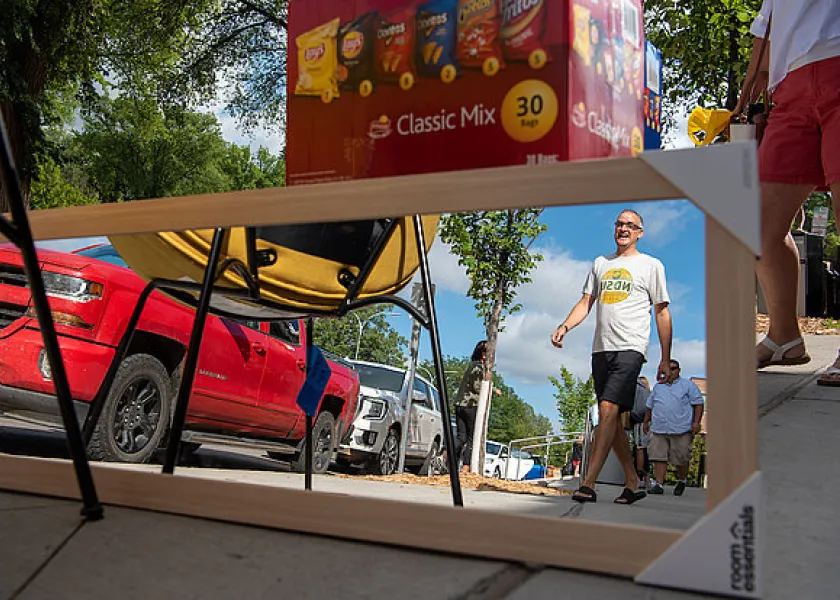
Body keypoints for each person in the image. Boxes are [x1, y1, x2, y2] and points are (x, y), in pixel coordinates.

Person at [736, 2, 840, 384]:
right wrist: (749, 91)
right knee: (757, 221)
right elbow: (767, 25)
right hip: (790, 87)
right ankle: (784, 337)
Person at [551, 209, 672, 505]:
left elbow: (662, 311)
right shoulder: (600, 264)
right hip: (601, 348)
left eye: (630, 225)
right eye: (619, 224)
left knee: (606, 408)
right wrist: (565, 325)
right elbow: (586, 302)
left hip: (631, 347)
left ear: (640, 233)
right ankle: (632, 480)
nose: (623, 229)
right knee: (613, 420)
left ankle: (589, 482)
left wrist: (665, 358)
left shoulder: (651, 265)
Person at [643, 359, 704, 496]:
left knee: (681, 458)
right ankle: (659, 484)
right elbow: (650, 405)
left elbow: (698, 403)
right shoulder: (658, 387)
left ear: (679, 370)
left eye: (674, 368)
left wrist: (696, 422)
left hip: (680, 428)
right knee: (659, 456)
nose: (671, 371)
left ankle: (681, 481)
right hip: (659, 428)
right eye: (668, 368)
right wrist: (646, 421)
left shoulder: (688, 385)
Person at [453, 340, 486, 473]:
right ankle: (466, 468)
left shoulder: (471, 366)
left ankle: (448, 457)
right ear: (484, 354)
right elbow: (477, 387)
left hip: (460, 404)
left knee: (461, 436)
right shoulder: (479, 368)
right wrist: (490, 391)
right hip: (471, 405)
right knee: (472, 437)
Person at [630, 376, 652, 489]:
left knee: (639, 449)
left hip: (639, 422)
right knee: (645, 450)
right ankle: (647, 478)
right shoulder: (649, 393)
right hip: (649, 423)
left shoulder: (636, 389)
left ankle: (639, 477)